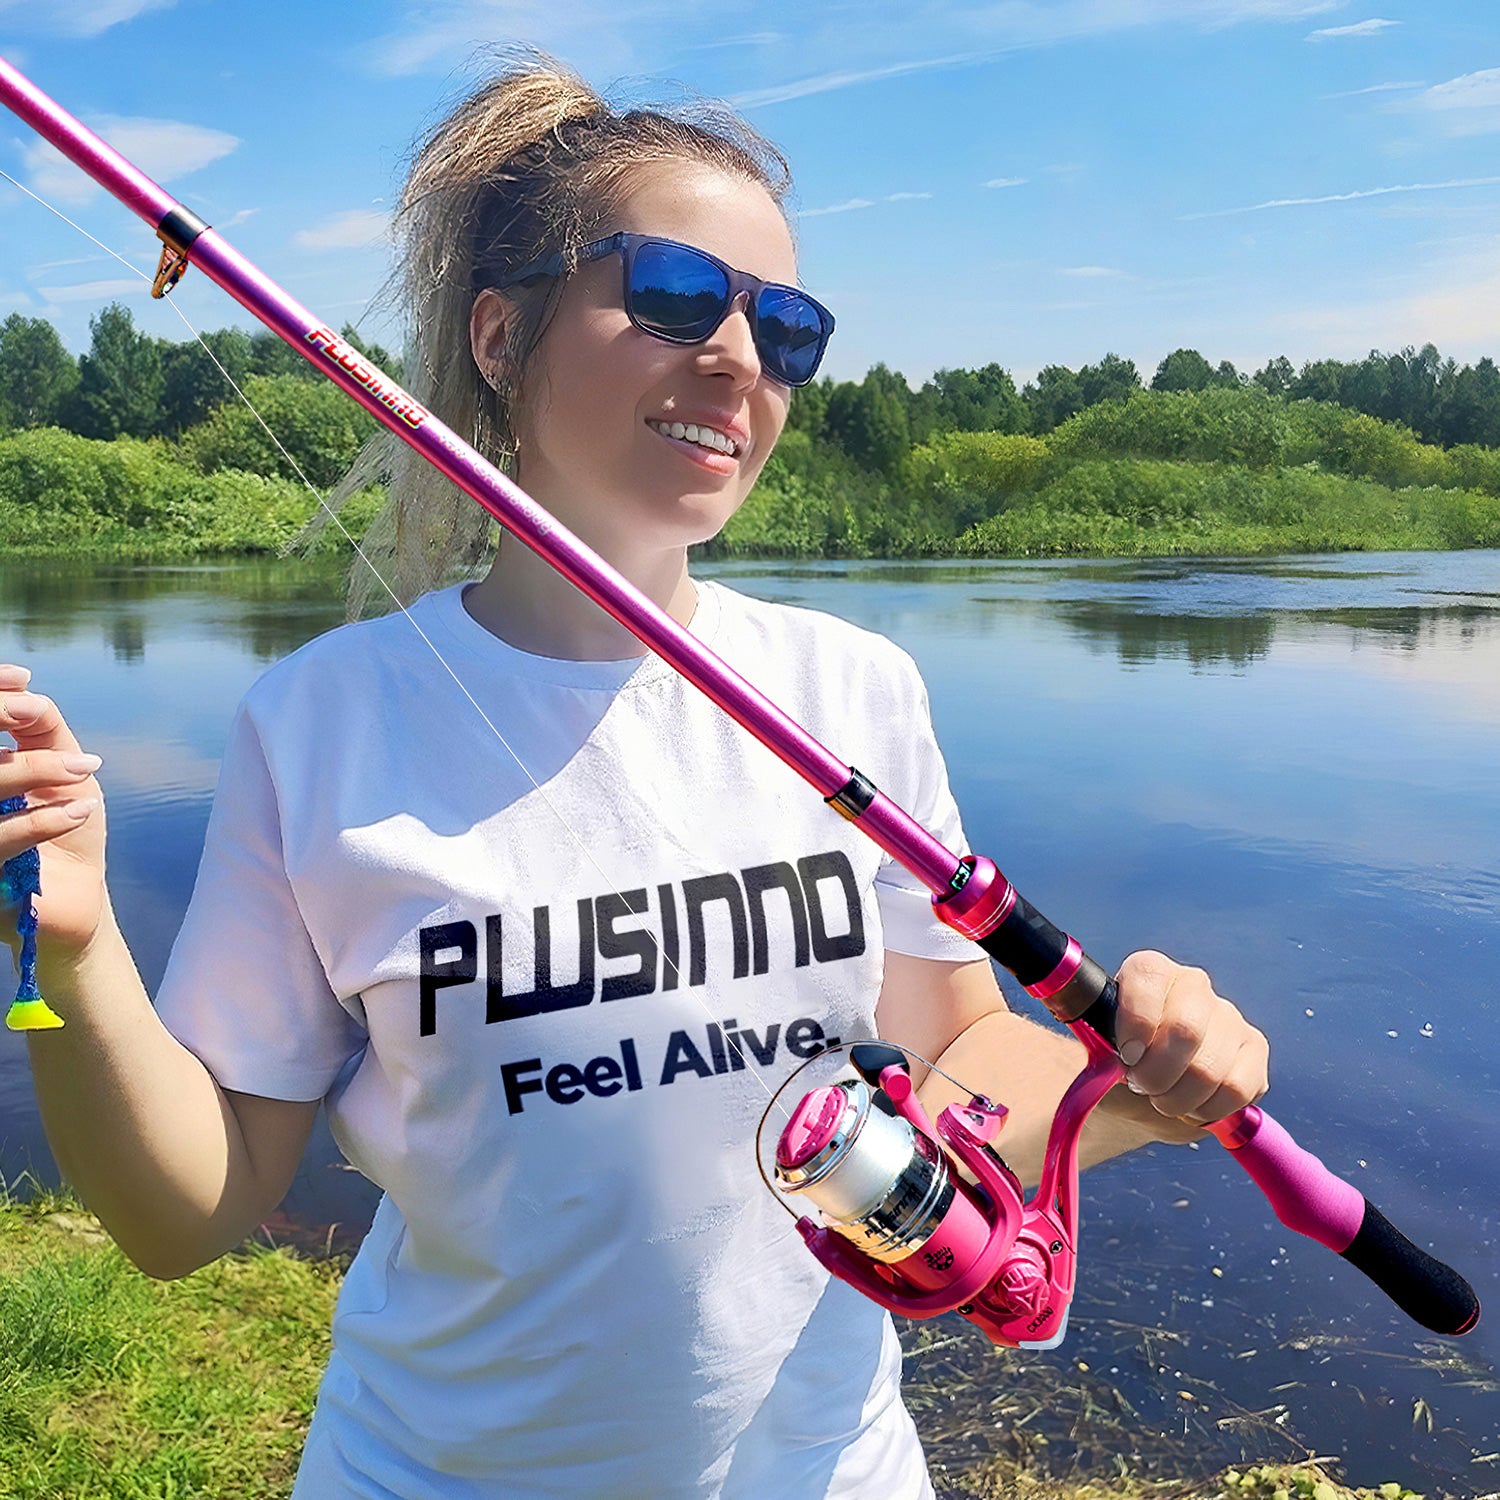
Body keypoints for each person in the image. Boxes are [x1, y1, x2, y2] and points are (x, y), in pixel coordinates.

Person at [0, 54, 1268, 1500]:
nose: (739, 357)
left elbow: (957, 1053)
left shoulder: (859, 689)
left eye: (787, 327)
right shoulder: (315, 725)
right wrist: (81, 947)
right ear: (498, 334)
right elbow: (190, 1213)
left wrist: (1142, 1072)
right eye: (672, 292)